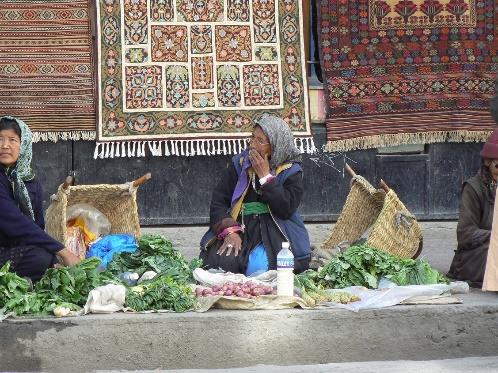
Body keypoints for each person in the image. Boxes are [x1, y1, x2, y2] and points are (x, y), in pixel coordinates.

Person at [199, 115, 311, 275]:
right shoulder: (239, 165)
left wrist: (266, 177)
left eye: (260, 141)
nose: (252, 145)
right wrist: (230, 230)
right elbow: (218, 202)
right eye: (252, 138)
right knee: (221, 265)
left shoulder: (291, 170)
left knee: (263, 268)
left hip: (274, 229)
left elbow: (286, 209)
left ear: (275, 146)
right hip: (241, 225)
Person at [0, 116, 80, 282]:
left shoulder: (30, 181)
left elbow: (37, 226)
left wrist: (53, 263)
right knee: (41, 259)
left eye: (12, 140)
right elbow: (14, 221)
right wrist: (63, 252)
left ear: (23, 145)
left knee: (42, 257)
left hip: (14, 248)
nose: (5, 146)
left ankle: (24, 279)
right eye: (0, 139)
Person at [447, 129, 498, 287]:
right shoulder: (473, 188)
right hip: (478, 251)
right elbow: (465, 234)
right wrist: (494, 235)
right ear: (488, 162)